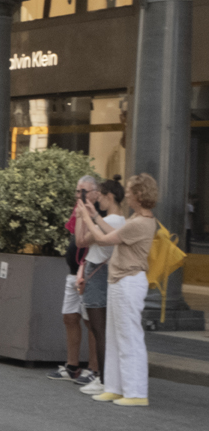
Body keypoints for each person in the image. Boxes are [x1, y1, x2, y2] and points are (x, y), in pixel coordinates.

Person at [78, 173, 159, 407]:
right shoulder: (137, 219)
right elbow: (111, 235)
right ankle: (115, 387)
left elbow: (104, 241)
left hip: (128, 281)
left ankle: (135, 392)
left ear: (140, 194)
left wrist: (88, 219)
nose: (129, 195)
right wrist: (94, 216)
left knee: (128, 338)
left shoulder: (141, 222)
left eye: (132, 191)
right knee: (114, 337)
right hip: (119, 281)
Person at [75, 177, 127, 396]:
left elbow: (81, 241)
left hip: (97, 274)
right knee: (104, 330)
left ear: (110, 196)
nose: (99, 201)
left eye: (102, 197)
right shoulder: (120, 221)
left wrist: (83, 216)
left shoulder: (111, 221)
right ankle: (108, 378)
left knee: (99, 330)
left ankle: (104, 380)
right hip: (105, 273)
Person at [49, 175, 100, 383]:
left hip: (88, 274)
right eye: (78, 191)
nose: (80, 195)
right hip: (73, 272)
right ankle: (72, 366)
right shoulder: (77, 211)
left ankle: (94, 369)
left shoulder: (98, 214)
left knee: (91, 322)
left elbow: (84, 240)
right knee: (69, 317)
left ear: (96, 193)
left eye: (84, 191)